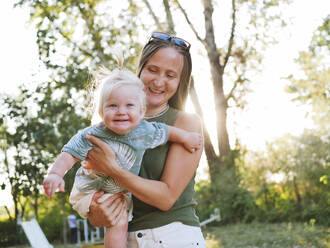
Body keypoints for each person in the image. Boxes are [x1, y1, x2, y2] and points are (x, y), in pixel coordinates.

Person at [43, 63, 202, 248]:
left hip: (119, 191)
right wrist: (55, 174)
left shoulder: (144, 130)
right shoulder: (93, 134)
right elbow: (69, 154)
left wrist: (186, 137)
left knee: (120, 220)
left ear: (141, 112)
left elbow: (165, 131)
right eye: (112, 106)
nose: (121, 111)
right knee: (118, 223)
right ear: (101, 112)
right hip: (91, 189)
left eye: (129, 105)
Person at [84, 32, 207, 247]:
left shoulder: (186, 124)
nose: (159, 81)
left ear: (180, 81)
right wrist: (96, 211)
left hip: (173, 238)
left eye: (170, 75)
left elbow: (166, 197)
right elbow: (97, 209)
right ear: (140, 69)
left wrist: (112, 169)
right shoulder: (110, 126)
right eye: (152, 70)